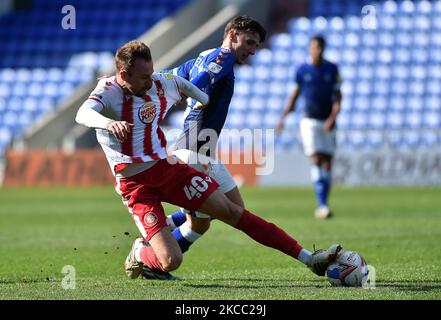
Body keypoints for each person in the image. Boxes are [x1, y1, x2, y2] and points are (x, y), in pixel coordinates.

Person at [75, 40, 342, 281]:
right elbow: (83, 114)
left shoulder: (158, 82)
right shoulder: (109, 90)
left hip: (167, 169)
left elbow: (181, 84)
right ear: (123, 75)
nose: (150, 80)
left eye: (151, 73)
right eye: (143, 76)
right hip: (135, 185)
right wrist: (109, 124)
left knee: (232, 211)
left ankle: (309, 258)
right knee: (170, 261)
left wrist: (200, 99)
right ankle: (140, 253)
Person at [161, 15, 266, 255]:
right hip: (193, 148)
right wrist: (190, 91)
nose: (252, 51)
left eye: (256, 46)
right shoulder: (224, 56)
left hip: (205, 150)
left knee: (235, 208)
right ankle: (153, 250)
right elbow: (204, 78)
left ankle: (162, 228)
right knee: (202, 222)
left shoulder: (201, 57)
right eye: (249, 42)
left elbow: (167, 75)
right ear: (232, 35)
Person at [277, 35, 342, 219]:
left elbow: (338, 96)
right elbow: (295, 95)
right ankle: (322, 204)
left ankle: (324, 202)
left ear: (324, 48)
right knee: (316, 157)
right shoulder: (302, 70)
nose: (317, 50)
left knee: (327, 162)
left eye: (320, 47)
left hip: (328, 120)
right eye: (314, 47)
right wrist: (283, 118)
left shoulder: (332, 69)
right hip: (308, 119)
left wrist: (333, 117)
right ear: (309, 49)